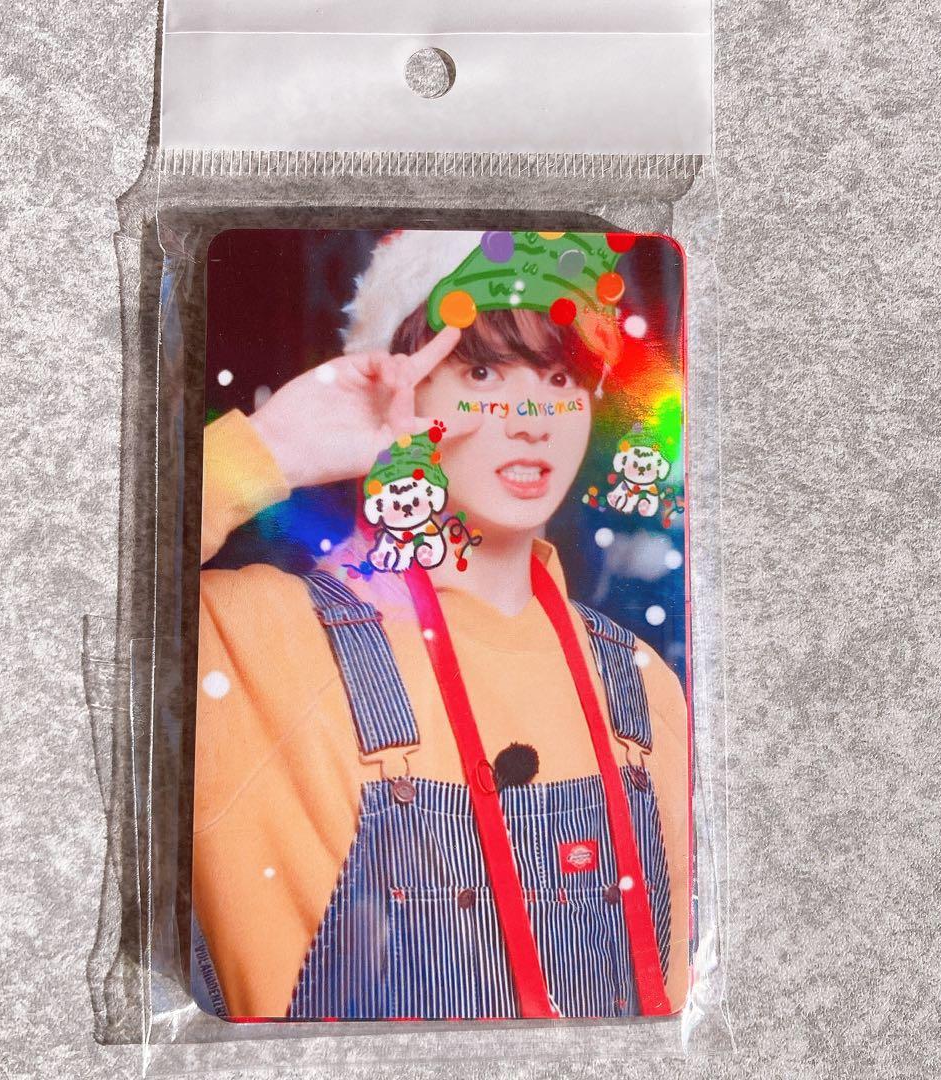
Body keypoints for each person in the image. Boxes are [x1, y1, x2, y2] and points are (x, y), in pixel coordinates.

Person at [192, 230, 690, 1021]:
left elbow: (684, 1006)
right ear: (402, 391)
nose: (530, 419)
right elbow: (48, 596)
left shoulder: (639, 683)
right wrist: (273, 447)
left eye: (559, 376)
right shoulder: (256, 639)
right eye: (482, 371)